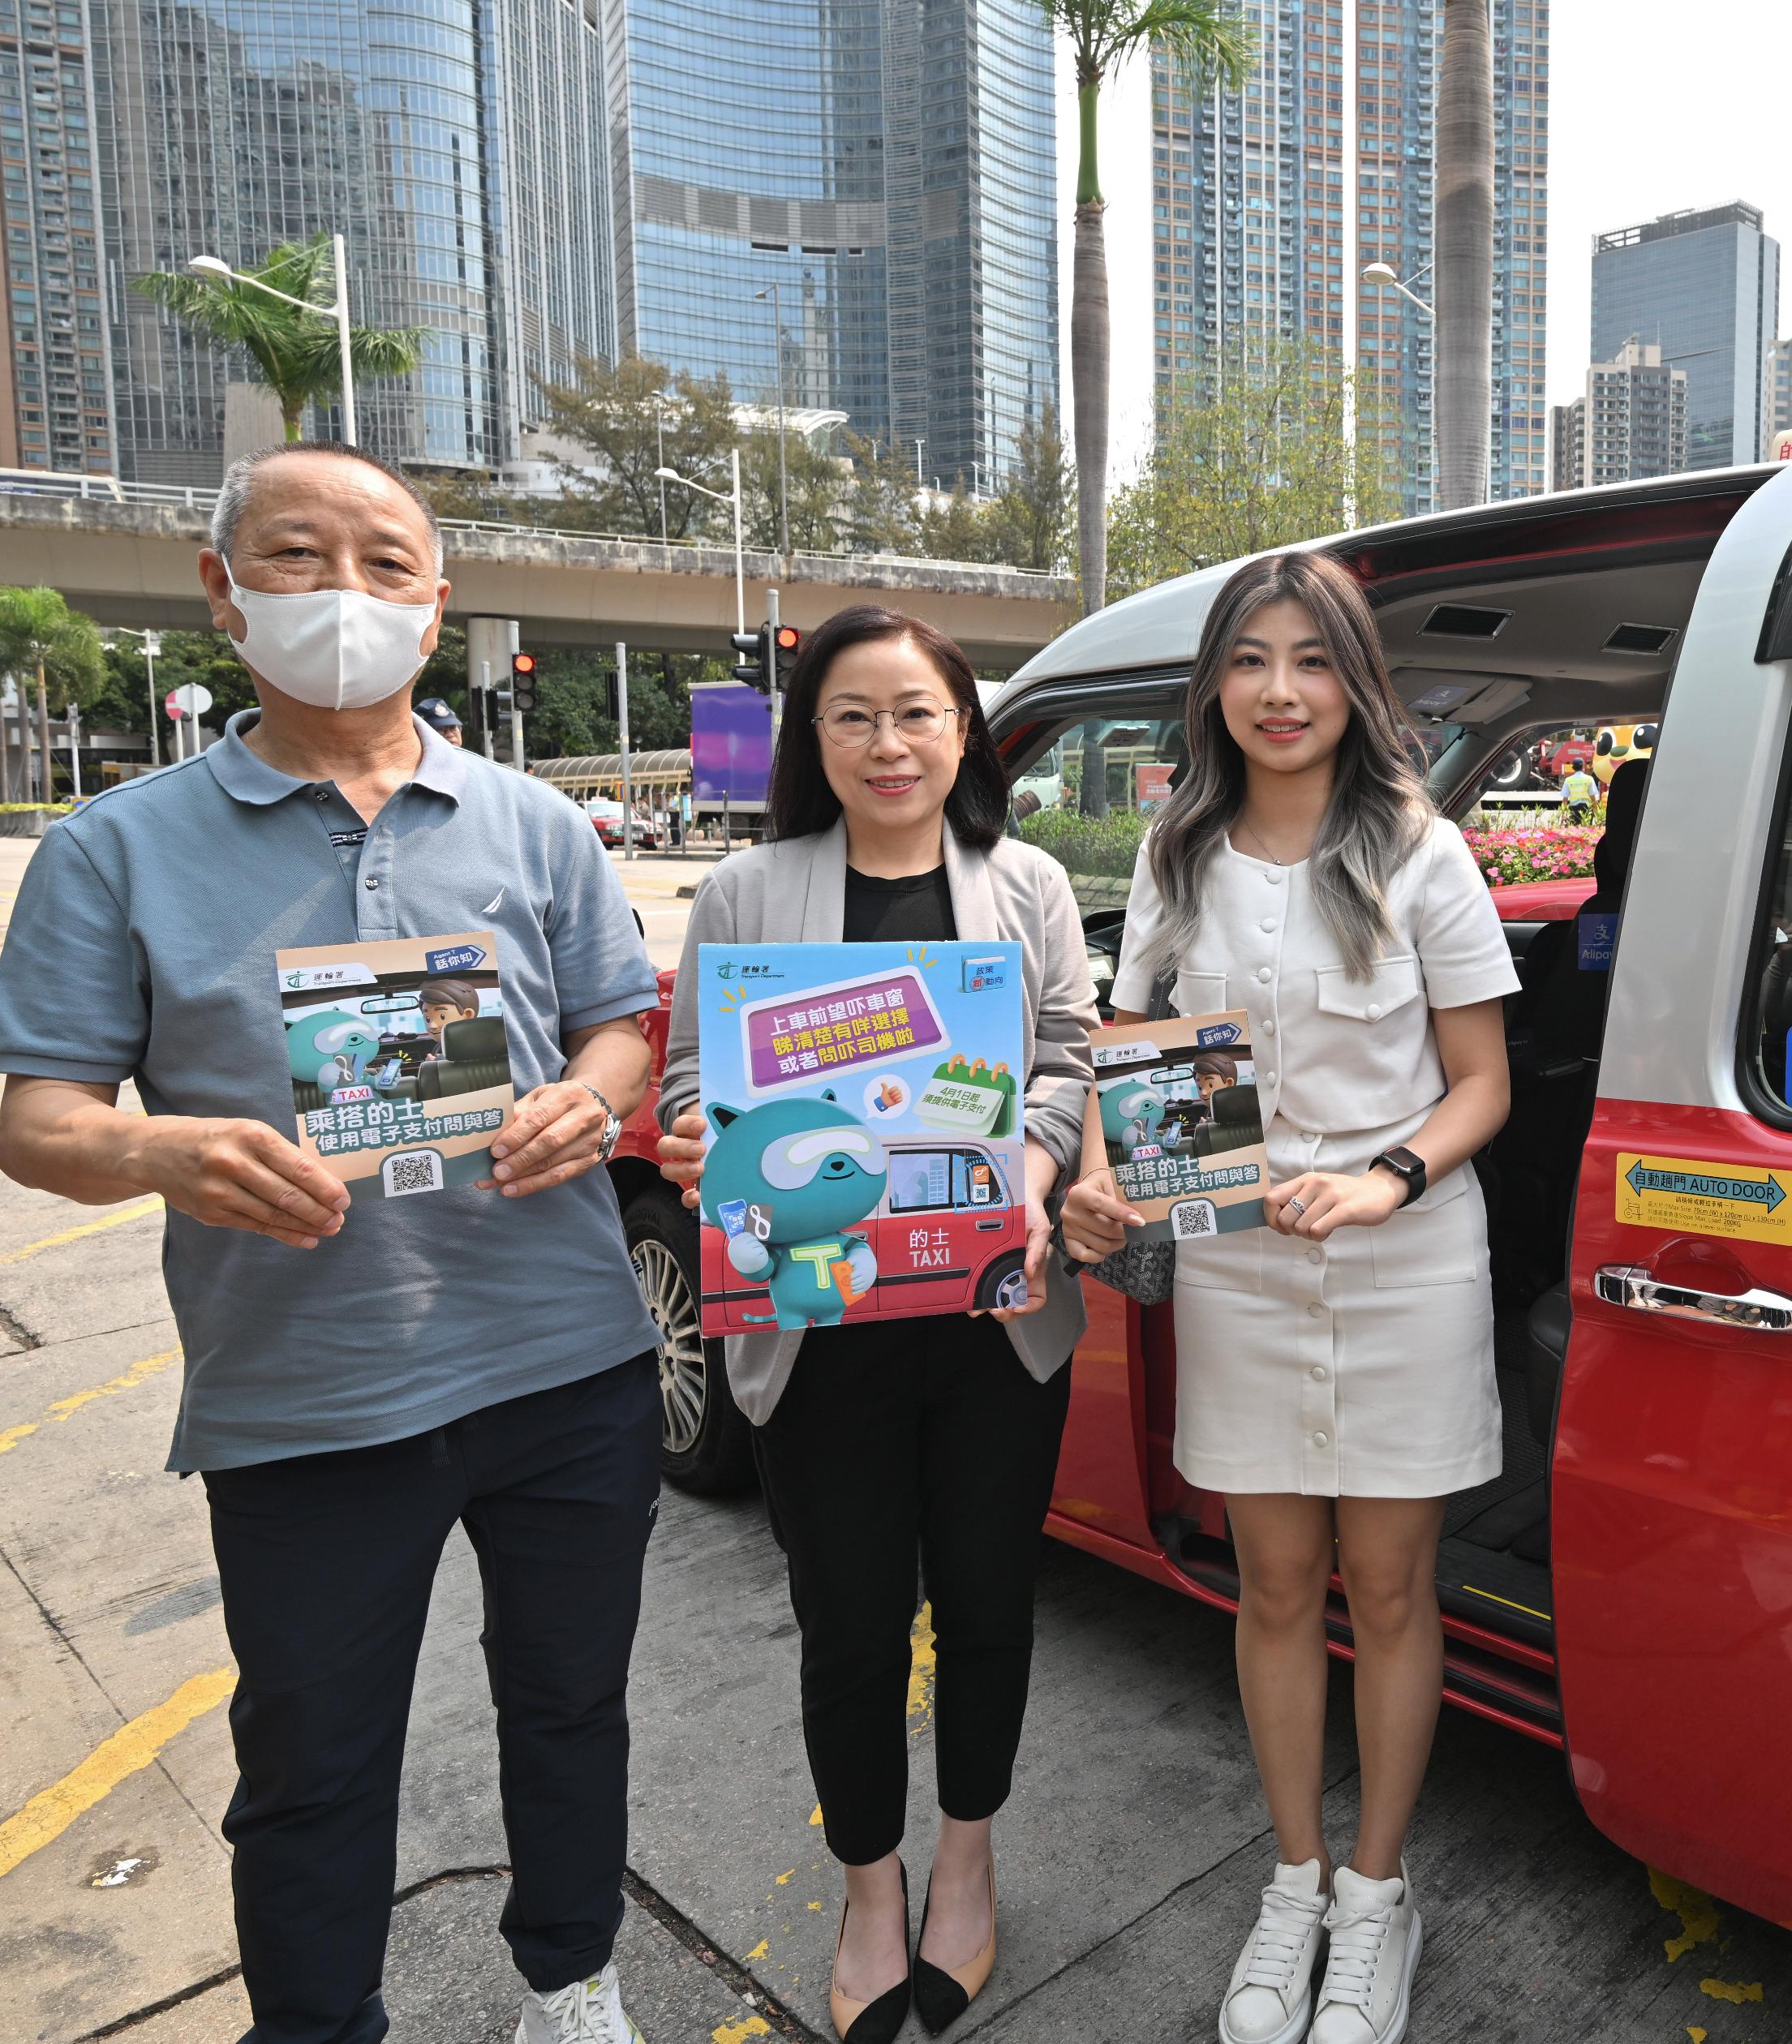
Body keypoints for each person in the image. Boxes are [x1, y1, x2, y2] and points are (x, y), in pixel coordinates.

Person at [0, 444, 667, 2044]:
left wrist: (590, 1099)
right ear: (224, 591)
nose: (342, 593)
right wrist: (157, 1147)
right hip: (304, 1398)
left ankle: (572, 1978)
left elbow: (618, 1023)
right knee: (312, 1757)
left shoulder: (535, 824)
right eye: (296, 555)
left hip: (567, 1368)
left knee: (569, 1710)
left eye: (384, 562)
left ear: (436, 608)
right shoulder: (115, 851)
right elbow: (41, 1122)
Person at [1061, 551, 1515, 2044]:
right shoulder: (1174, 854)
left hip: (1402, 1256)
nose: (1278, 691)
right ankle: (1296, 1881)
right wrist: (1099, 1171)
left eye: (1310, 660)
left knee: (1387, 1591)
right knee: (1269, 1588)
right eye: (1249, 661)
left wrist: (1390, 1174)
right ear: (1214, 688)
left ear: (1354, 681)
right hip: (1240, 1260)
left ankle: (1379, 1899)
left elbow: (1481, 1085)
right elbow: (1129, 1051)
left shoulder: (1422, 853)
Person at [654, 606, 1098, 2044]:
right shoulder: (744, 893)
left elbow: (1071, 1060)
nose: (888, 742)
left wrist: (1023, 1180)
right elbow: (681, 1089)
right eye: (854, 714)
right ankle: (870, 1884)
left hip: (993, 1324)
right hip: (812, 1323)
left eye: (916, 712)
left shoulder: (1024, 883)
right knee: (846, 1625)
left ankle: (964, 1867)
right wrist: (692, 1142)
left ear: (963, 729)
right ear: (812, 738)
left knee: (984, 1606)